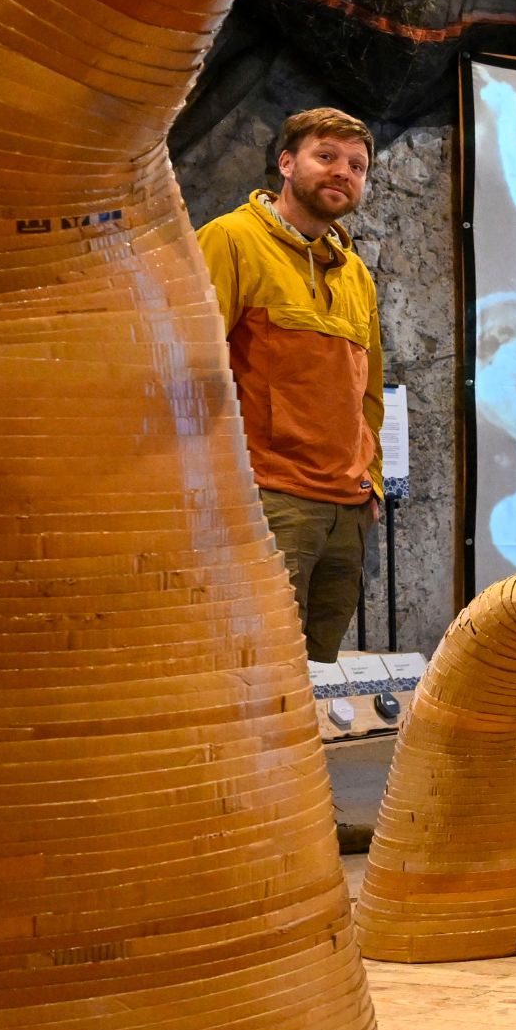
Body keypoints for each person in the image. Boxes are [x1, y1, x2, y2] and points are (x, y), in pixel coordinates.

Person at [198, 107, 385, 663]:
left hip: (345, 513)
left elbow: (367, 393)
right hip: (268, 501)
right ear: (286, 162)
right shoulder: (230, 240)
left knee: (315, 689)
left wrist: (368, 484)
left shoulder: (355, 273)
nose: (342, 172)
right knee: (250, 674)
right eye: (325, 156)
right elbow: (187, 368)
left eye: (356, 165)